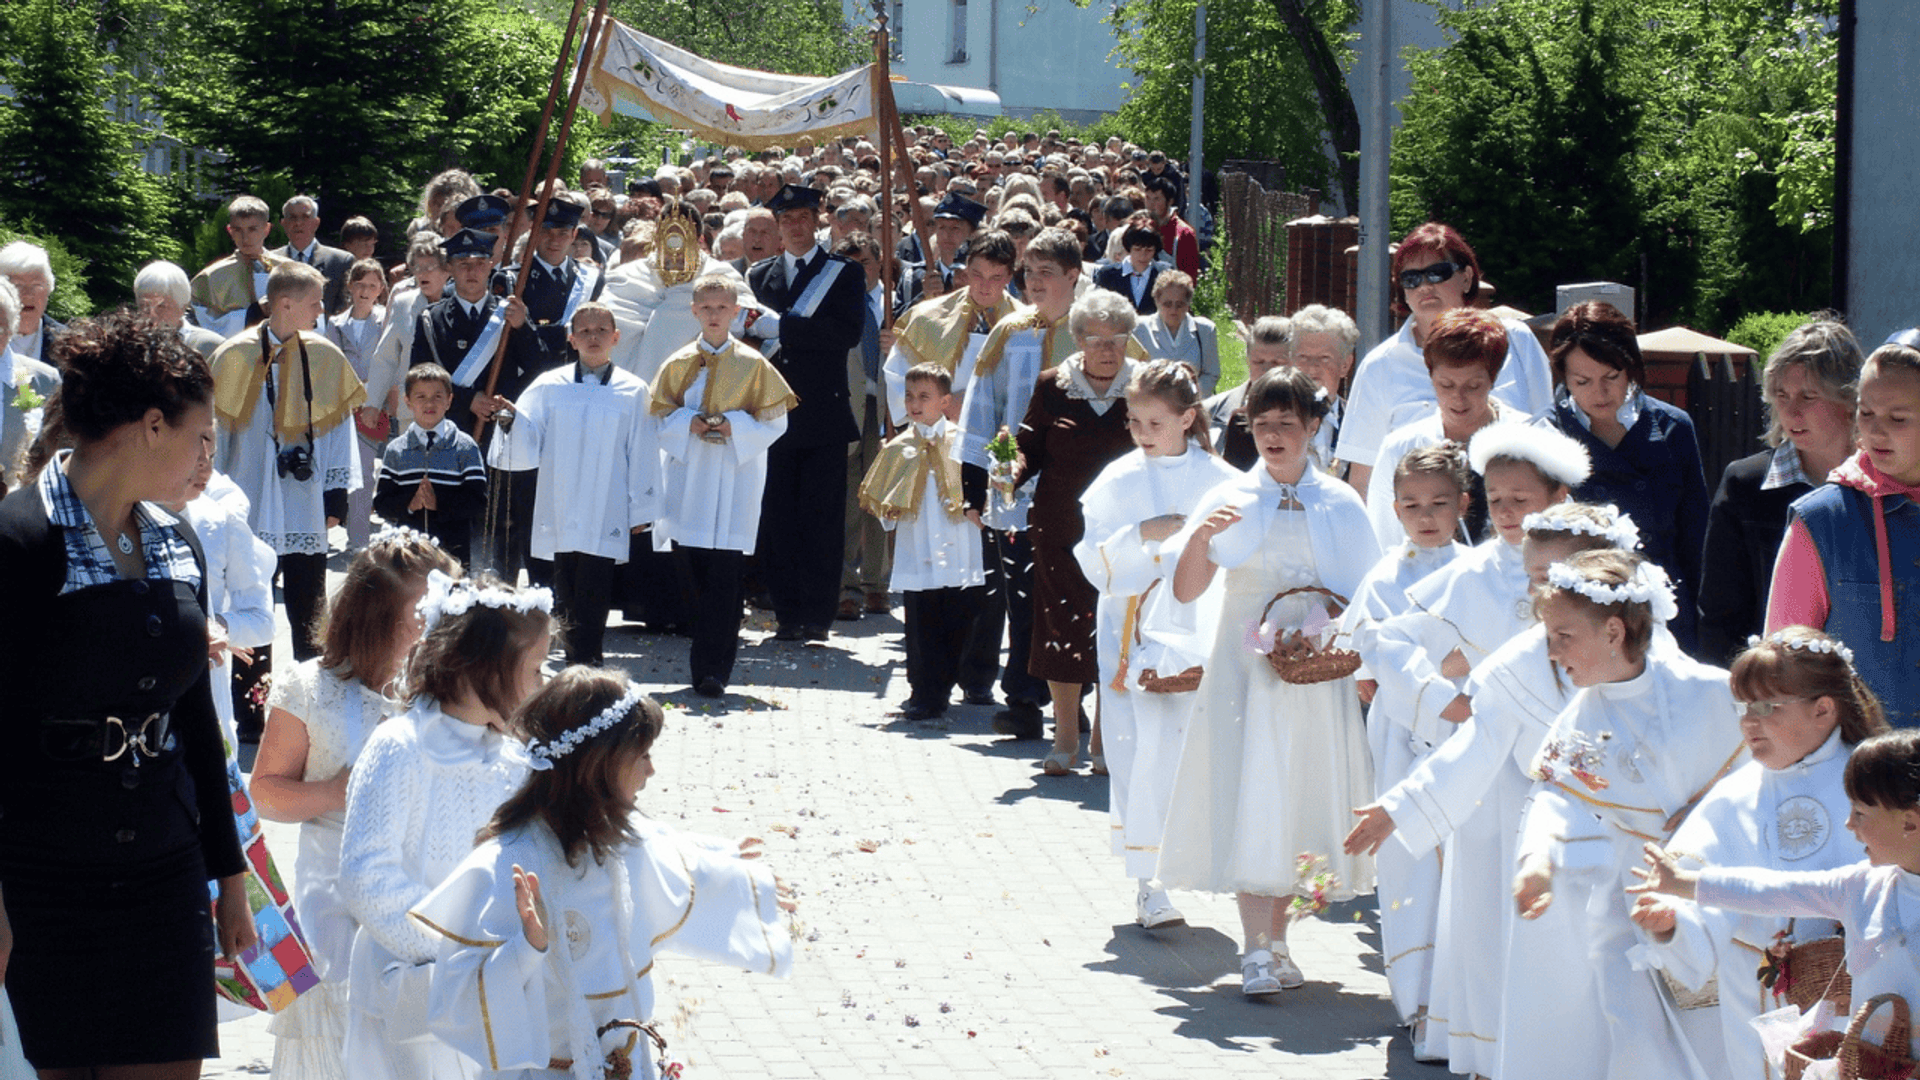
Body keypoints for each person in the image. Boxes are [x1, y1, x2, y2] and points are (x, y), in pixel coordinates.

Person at [0, 310, 256, 1073]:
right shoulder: (15, 540)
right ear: (151, 426)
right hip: (41, 876)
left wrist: (230, 877)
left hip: (163, 868)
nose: (207, 460)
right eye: (199, 437)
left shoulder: (180, 541)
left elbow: (190, 720)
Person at [1346, 501, 1638, 1073]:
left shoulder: (1649, 653)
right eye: (1530, 579)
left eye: (1547, 579)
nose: (1536, 595)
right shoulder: (1521, 663)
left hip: (1622, 837)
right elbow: (1474, 745)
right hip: (1529, 825)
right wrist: (1399, 807)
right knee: (1534, 961)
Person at [413, 670, 793, 1079]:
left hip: (628, 1065)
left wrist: (746, 879)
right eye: (643, 755)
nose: (652, 771)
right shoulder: (509, 863)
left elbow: (676, 858)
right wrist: (528, 947)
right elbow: (457, 999)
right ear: (598, 767)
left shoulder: (617, 839)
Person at [1358, 425, 1586, 1048]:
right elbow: (1386, 638)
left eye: (1522, 499)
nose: (1507, 513)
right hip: (1494, 773)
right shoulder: (1474, 572)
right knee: (1486, 901)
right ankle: (1475, 1036)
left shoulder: (1591, 568)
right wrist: (1441, 700)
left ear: (1558, 496)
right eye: (1497, 499)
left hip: (1574, 770)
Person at [1157, 366, 1381, 994]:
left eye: (1288, 424)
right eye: (1261, 425)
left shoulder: (1341, 502)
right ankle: (1254, 948)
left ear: (1314, 426)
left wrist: (1325, 630)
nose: (1274, 436)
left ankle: (1280, 941)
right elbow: (1187, 587)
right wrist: (1201, 537)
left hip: (1314, 676)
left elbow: (1364, 593)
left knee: (1302, 797)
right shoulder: (1230, 498)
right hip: (1244, 669)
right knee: (1251, 789)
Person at [1512, 550, 1745, 1079]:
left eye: (1564, 636)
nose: (1551, 652)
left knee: (1715, 1038)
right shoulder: (1584, 714)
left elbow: (1763, 767)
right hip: (1628, 897)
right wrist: (1538, 858)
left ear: (1613, 632)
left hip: (1713, 890)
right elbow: (1556, 795)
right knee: (1634, 1034)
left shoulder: (1710, 692)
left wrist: (1709, 810)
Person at [1629, 627, 1886, 1080]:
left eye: (1767, 708)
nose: (1749, 722)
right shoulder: (1734, 795)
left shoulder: (1873, 782)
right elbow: (1694, 874)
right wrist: (1672, 923)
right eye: (1743, 707)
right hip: (1755, 987)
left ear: (1823, 709)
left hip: (1859, 983)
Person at [249, 530, 455, 1080]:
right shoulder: (312, 688)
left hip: (421, 900)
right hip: (334, 905)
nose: (438, 620)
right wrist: (333, 792)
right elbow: (265, 790)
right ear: (378, 613)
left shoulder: (442, 692)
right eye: (424, 608)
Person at [337, 570, 553, 1080]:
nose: (543, 687)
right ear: (483, 668)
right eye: (536, 669)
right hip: (413, 985)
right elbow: (365, 877)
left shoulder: (514, 758)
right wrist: (457, 955)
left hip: (492, 984)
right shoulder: (401, 747)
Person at [1632, 725, 1920, 1062]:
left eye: (1860, 813)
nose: (1848, 825)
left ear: (1910, 823)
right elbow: (1772, 891)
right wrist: (1683, 882)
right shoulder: (1862, 886)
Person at [1072, 359, 1238, 929]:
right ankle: (1149, 882)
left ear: (1188, 418)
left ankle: (1197, 860)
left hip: (1199, 628)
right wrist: (1143, 534)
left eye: (1155, 422)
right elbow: (1095, 560)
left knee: (1191, 747)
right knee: (1137, 750)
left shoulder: (1222, 479)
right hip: (1132, 628)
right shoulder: (1119, 479)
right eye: (1134, 420)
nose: (1142, 433)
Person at [959, 228, 1092, 738]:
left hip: (1077, 494)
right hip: (1015, 490)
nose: (1034, 282)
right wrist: (982, 482)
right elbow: (984, 411)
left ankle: (1073, 695)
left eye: (1046, 273)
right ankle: (1023, 698)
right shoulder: (1011, 332)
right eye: (1029, 272)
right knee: (1023, 597)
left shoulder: (1098, 332)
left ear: (1072, 275)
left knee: (1074, 597)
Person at [477, 302, 659, 668]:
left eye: (601, 331)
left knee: (596, 581)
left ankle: (588, 658)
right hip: (560, 499)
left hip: (606, 501)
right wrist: (511, 421)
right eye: (585, 332)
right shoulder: (549, 386)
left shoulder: (634, 390)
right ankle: (573, 656)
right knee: (564, 580)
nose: (594, 338)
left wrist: (642, 508)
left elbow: (643, 450)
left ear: (616, 337)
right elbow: (528, 436)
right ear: (571, 339)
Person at [1015, 290, 1144, 775]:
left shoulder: (1143, 387)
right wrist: (1010, 467)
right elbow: (1028, 447)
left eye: (1118, 339)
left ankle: (1107, 741)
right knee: (1061, 626)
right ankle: (1066, 736)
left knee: (1118, 630)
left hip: (1127, 534)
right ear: (1079, 340)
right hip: (1060, 528)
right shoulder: (1054, 386)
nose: (1108, 350)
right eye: (1096, 339)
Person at [649, 274, 797, 697]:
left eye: (722, 308)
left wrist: (735, 426)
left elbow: (775, 421)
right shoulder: (677, 363)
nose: (714, 315)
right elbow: (658, 416)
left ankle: (714, 668)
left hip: (734, 477)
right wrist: (685, 423)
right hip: (690, 476)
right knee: (691, 569)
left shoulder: (754, 366)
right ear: (694, 311)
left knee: (725, 576)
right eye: (706, 308)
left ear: (736, 313)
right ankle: (703, 648)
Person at [211, 262, 365, 666]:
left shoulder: (324, 356)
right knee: (251, 605)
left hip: (304, 500)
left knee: (308, 604)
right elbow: (215, 435)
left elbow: (337, 432)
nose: (320, 312)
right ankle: (250, 714)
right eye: (314, 303)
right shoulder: (233, 356)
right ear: (285, 303)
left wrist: (336, 495)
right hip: (247, 497)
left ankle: (309, 699)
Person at [1336, 223, 1554, 497]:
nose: (1425, 286)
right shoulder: (1379, 366)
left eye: (1437, 273)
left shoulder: (1517, 341)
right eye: (1411, 278)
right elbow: (1364, 481)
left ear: (1466, 277)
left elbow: (1546, 442)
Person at [1767, 336, 1920, 725]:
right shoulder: (1820, 520)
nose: (1876, 431)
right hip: (1858, 772)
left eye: (1898, 418)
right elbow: (1782, 667)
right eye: (1865, 413)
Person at [1545, 301, 1711, 654]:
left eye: (1612, 376)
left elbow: (1696, 538)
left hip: (1664, 612)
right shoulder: (1545, 434)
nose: (1599, 393)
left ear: (1631, 369)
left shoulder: (1673, 427)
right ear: (1563, 377)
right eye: (1582, 381)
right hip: (1586, 618)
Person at [1698, 318, 1864, 664]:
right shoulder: (1744, 485)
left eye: (1808, 396)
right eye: (1782, 395)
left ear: (1849, 399)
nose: (1791, 411)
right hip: (1775, 690)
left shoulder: (1886, 485)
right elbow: (1720, 617)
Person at [748, 184, 868, 642]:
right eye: (786, 219)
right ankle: (785, 610)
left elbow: (845, 334)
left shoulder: (842, 274)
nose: (795, 227)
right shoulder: (760, 276)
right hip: (772, 414)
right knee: (778, 515)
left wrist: (787, 327)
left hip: (822, 412)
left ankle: (817, 613)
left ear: (817, 219)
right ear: (777, 225)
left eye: (802, 217)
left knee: (821, 518)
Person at [861, 363, 987, 721]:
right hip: (918, 547)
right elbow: (883, 502)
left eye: (924, 396)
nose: (915, 404)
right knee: (920, 623)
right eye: (910, 396)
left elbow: (981, 490)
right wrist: (892, 510)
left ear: (945, 401)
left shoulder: (964, 442)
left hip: (958, 544)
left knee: (958, 619)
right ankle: (923, 691)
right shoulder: (898, 447)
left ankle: (944, 685)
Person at [1363, 307, 1526, 548]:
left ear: (1494, 379)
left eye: (1473, 386)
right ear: (1430, 376)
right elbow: (1382, 540)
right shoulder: (1400, 448)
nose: (1458, 399)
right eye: (1446, 385)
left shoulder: (1530, 439)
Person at [882, 230, 1021, 430]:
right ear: (967, 268)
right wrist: (939, 405)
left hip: (999, 433)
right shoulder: (927, 317)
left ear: (1009, 275)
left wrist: (981, 406)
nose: (984, 286)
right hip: (938, 432)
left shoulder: (1027, 325)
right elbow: (899, 374)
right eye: (977, 274)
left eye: (995, 277)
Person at [373, 364, 489, 568]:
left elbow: (478, 502)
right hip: (409, 557)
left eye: (438, 396)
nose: (430, 403)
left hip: (452, 556)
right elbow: (382, 504)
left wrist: (440, 504)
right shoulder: (396, 450)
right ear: (407, 401)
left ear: (449, 400)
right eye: (421, 397)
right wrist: (411, 503)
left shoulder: (465, 447)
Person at [327, 258, 392, 549]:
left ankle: (363, 538)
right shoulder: (336, 323)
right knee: (351, 470)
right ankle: (348, 535)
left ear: (381, 289)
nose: (365, 291)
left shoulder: (386, 320)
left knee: (368, 471)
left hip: (376, 402)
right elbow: (330, 364)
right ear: (350, 287)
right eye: (360, 284)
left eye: (372, 285)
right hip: (345, 404)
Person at [368, 236, 453, 430]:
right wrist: (373, 403)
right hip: (412, 413)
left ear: (447, 270)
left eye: (429, 267)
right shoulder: (403, 303)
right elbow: (386, 357)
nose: (422, 273)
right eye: (417, 267)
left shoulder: (460, 303)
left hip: (453, 411)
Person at [192, 195, 290, 337]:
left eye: (252, 229)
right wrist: (254, 313)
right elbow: (203, 327)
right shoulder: (210, 277)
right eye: (238, 230)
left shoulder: (289, 270)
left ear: (266, 229)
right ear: (230, 231)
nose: (245, 238)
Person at [1203, 316, 1288, 470]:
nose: (1266, 371)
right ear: (1247, 359)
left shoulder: (1313, 417)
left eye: (1277, 363)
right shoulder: (1209, 412)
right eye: (1258, 362)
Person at [1287, 304, 1360, 477]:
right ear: (1290, 361)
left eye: (1325, 358)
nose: (1312, 367)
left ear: (1345, 365)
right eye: (1303, 357)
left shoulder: (1360, 423)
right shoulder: (1257, 422)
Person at [0, 278, 58, 490]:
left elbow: (60, 454)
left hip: (15, 512)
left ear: (12, 329)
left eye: (1, 330)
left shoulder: (44, 380)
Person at [1132, 271, 1218, 396]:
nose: (1173, 310)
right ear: (1157, 301)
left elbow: (1211, 373)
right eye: (1167, 304)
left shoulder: (1205, 329)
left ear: (1188, 304)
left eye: (1180, 304)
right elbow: (1133, 373)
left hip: (1193, 402)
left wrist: (1190, 396)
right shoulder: (1139, 328)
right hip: (1153, 403)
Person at [278, 195, 356, 315]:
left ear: (316, 222)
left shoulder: (341, 261)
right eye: (292, 217)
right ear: (283, 223)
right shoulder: (270, 261)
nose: (298, 223)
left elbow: (346, 307)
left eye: (305, 217)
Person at [135, 259, 227, 358]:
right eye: (144, 306)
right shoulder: (131, 345)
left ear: (183, 306)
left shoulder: (209, 346)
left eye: (161, 307)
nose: (152, 315)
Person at [0, 240, 64, 367]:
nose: (28, 294)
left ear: (50, 288)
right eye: (17, 285)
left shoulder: (69, 345)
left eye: (37, 285)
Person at [1091, 222, 1164, 316]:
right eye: (1137, 249)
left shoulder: (1164, 274)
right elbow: (1097, 308)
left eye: (1149, 250)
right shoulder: (1108, 274)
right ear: (1129, 248)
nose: (1143, 255)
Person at [1143, 175, 1199, 279]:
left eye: (1156, 199)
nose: (1150, 204)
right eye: (1147, 198)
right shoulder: (1142, 226)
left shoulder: (1183, 233)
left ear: (1170, 201)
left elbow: (1190, 278)